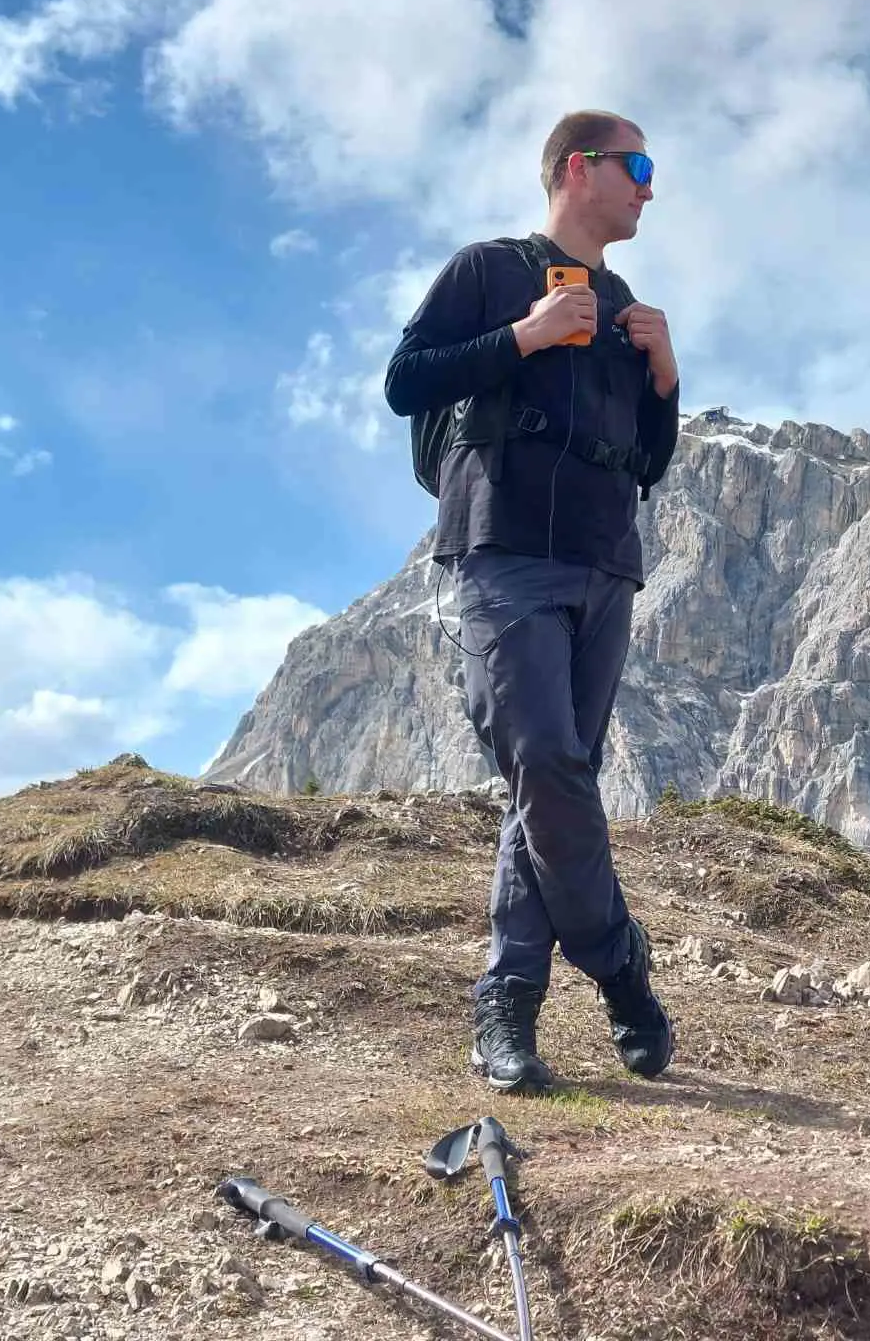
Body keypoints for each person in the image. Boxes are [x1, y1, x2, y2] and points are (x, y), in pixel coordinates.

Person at [383, 110, 680, 1093]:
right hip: (503, 547)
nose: (649, 186)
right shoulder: (487, 268)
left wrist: (665, 379)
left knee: (547, 789)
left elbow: (649, 462)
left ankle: (508, 1001)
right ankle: (620, 966)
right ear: (577, 168)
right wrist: (527, 334)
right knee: (547, 760)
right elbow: (405, 381)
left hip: (608, 564)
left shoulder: (629, 305)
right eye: (637, 165)